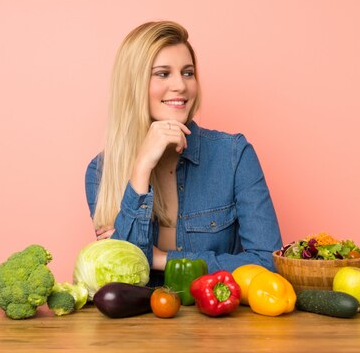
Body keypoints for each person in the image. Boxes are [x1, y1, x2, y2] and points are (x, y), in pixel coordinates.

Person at [85, 21, 282, 285]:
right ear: (133, 84)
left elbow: (267, 263)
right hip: (138, 324)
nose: (181, 85)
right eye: (163, 74)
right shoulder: (101, 173)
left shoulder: (234, 156)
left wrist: (161, 259)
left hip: (219, 320)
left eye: (187, 73)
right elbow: (121, 278)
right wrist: (141, 168)